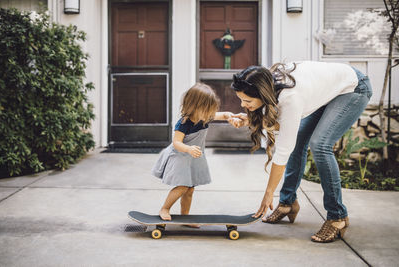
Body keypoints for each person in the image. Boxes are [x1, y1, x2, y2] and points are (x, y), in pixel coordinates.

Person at [229, 61, 372, 242]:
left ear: (262, 94)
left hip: (352, 87)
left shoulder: (291, 98)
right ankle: (287, 203)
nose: (242, 105)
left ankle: (337, 216)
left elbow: (283, 150)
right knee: (298, 142)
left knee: (320, 145)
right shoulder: (269, 84)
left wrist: (268, 194)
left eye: (247, 101)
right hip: (328, 90)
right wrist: (252, 120)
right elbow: (284, 125)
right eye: (241, 99)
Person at [152, 82, 237, 222]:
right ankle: (165, 208)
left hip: (192, 157)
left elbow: (223, 115)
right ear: (194, 107)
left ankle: (185, 217)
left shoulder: (205, 116)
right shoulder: (184, 123)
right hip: (180, 156)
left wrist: (231, 117)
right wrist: (188, 148)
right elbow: (176, 142)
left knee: (190, 189)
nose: (210, 114)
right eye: (206, 109)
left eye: (211, 110)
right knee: (182, 186)